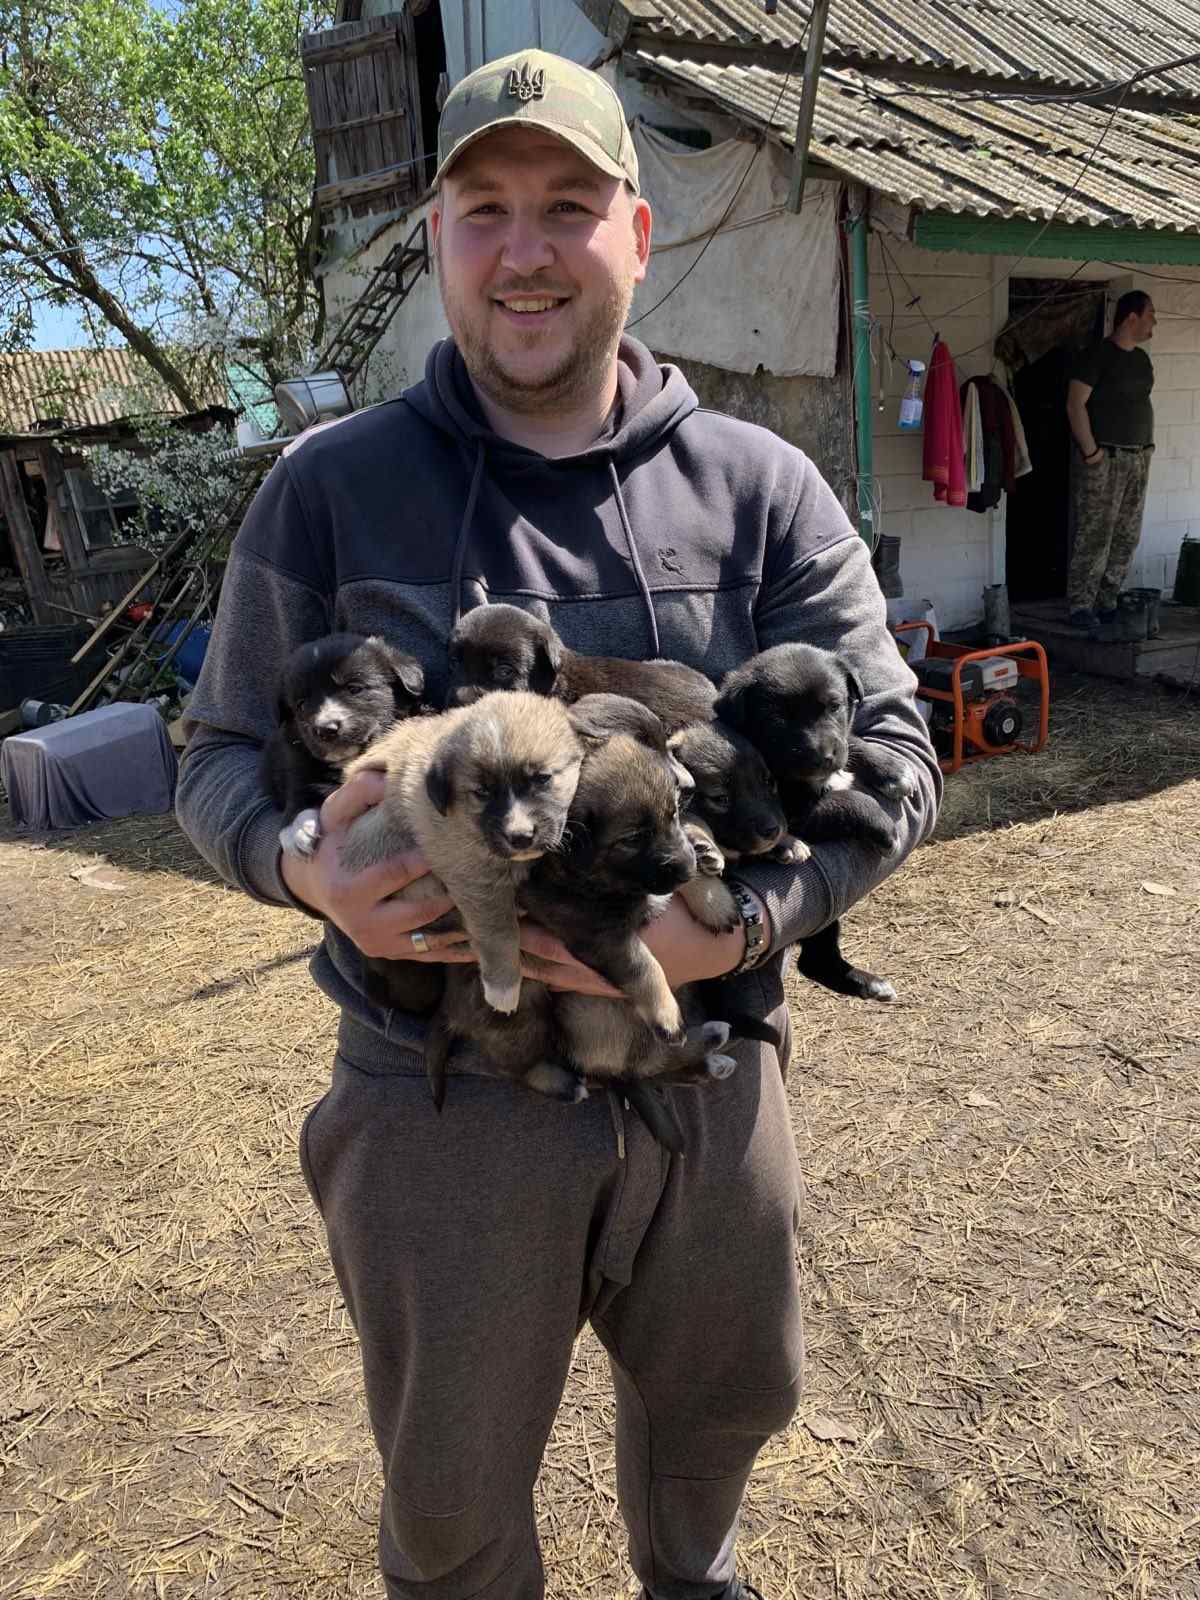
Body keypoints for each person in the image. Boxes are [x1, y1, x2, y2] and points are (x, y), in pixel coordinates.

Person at [176, 48, 940, 1600]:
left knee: (731, 1407)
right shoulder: (328, 490)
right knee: (451, 1497)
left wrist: (737, 917)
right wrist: (306, 869)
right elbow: (210, 757)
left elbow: (901, 755)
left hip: (703, 1069)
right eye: (485, 209)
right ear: (442, 238)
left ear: (637, 238)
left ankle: (694, 1575)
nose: (526, 248)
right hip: (437, 1093)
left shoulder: (765, 489)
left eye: (569, 206)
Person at [1065, 290, 1157, 633]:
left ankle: (1108, 599)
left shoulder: (1142, 360)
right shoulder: (1098, 355)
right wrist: (1091, 451)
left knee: (1127, 533)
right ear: (1131, 317)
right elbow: (1075, 404)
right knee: (1096, 531)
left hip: (1138, 456)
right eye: (1150, 314)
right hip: (1106, 458)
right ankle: (1081, 604)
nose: (1154, 322)